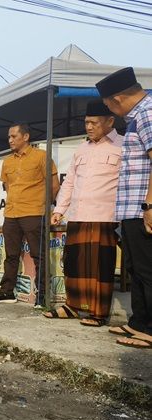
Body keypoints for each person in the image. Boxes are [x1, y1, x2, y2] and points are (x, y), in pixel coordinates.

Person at [45, 100, 123, 326]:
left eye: (94, 123)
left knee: (101, 266)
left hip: (105, 216)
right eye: (86, 122)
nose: (89, 127)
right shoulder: (82, 149)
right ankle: (73, 306)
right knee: (74, 264)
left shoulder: (123, 146)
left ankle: (98, 313)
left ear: (110, 121)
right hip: (78, 215)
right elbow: (69, 183)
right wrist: (59, 210)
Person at [96, 67, 152, 348]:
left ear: (116, 100)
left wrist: (150, 204)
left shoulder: (148, 113)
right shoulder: (136, 117)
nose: (110, 110)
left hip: (144, 207)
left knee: (148, 268)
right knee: (136, 268)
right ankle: (139, 322)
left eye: (107, 105)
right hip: (132, 209)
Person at [0, 123, 60, 308]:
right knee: (11, 255)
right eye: (9, 137)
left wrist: (45, 206)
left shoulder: (41, 156)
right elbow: (8, 186)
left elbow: (54, 185)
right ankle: (6, 291)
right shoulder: (7, 161)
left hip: (35, 212)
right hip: (11, 213)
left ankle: (42, 297)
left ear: (26, 137)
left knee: (39, 255)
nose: (10, 140)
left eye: (13, 136)